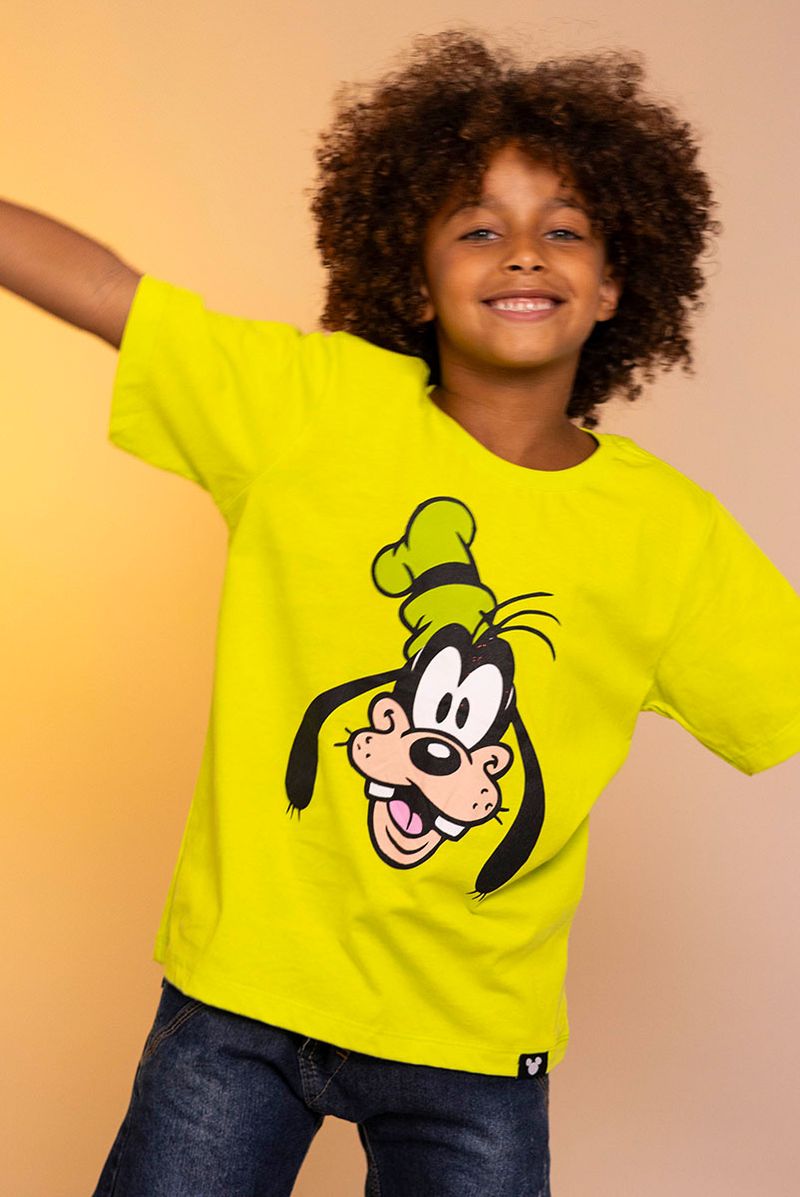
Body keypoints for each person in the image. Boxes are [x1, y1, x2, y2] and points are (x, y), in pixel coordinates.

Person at [4, 28, 799, 1197]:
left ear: (615, 284)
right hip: (240, 998)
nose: (520, 252)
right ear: (413, 280)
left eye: (563, 229)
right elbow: (113, 293)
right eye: (476, 227)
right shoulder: (312, 410)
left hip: (469, 1041)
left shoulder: (669, 536)